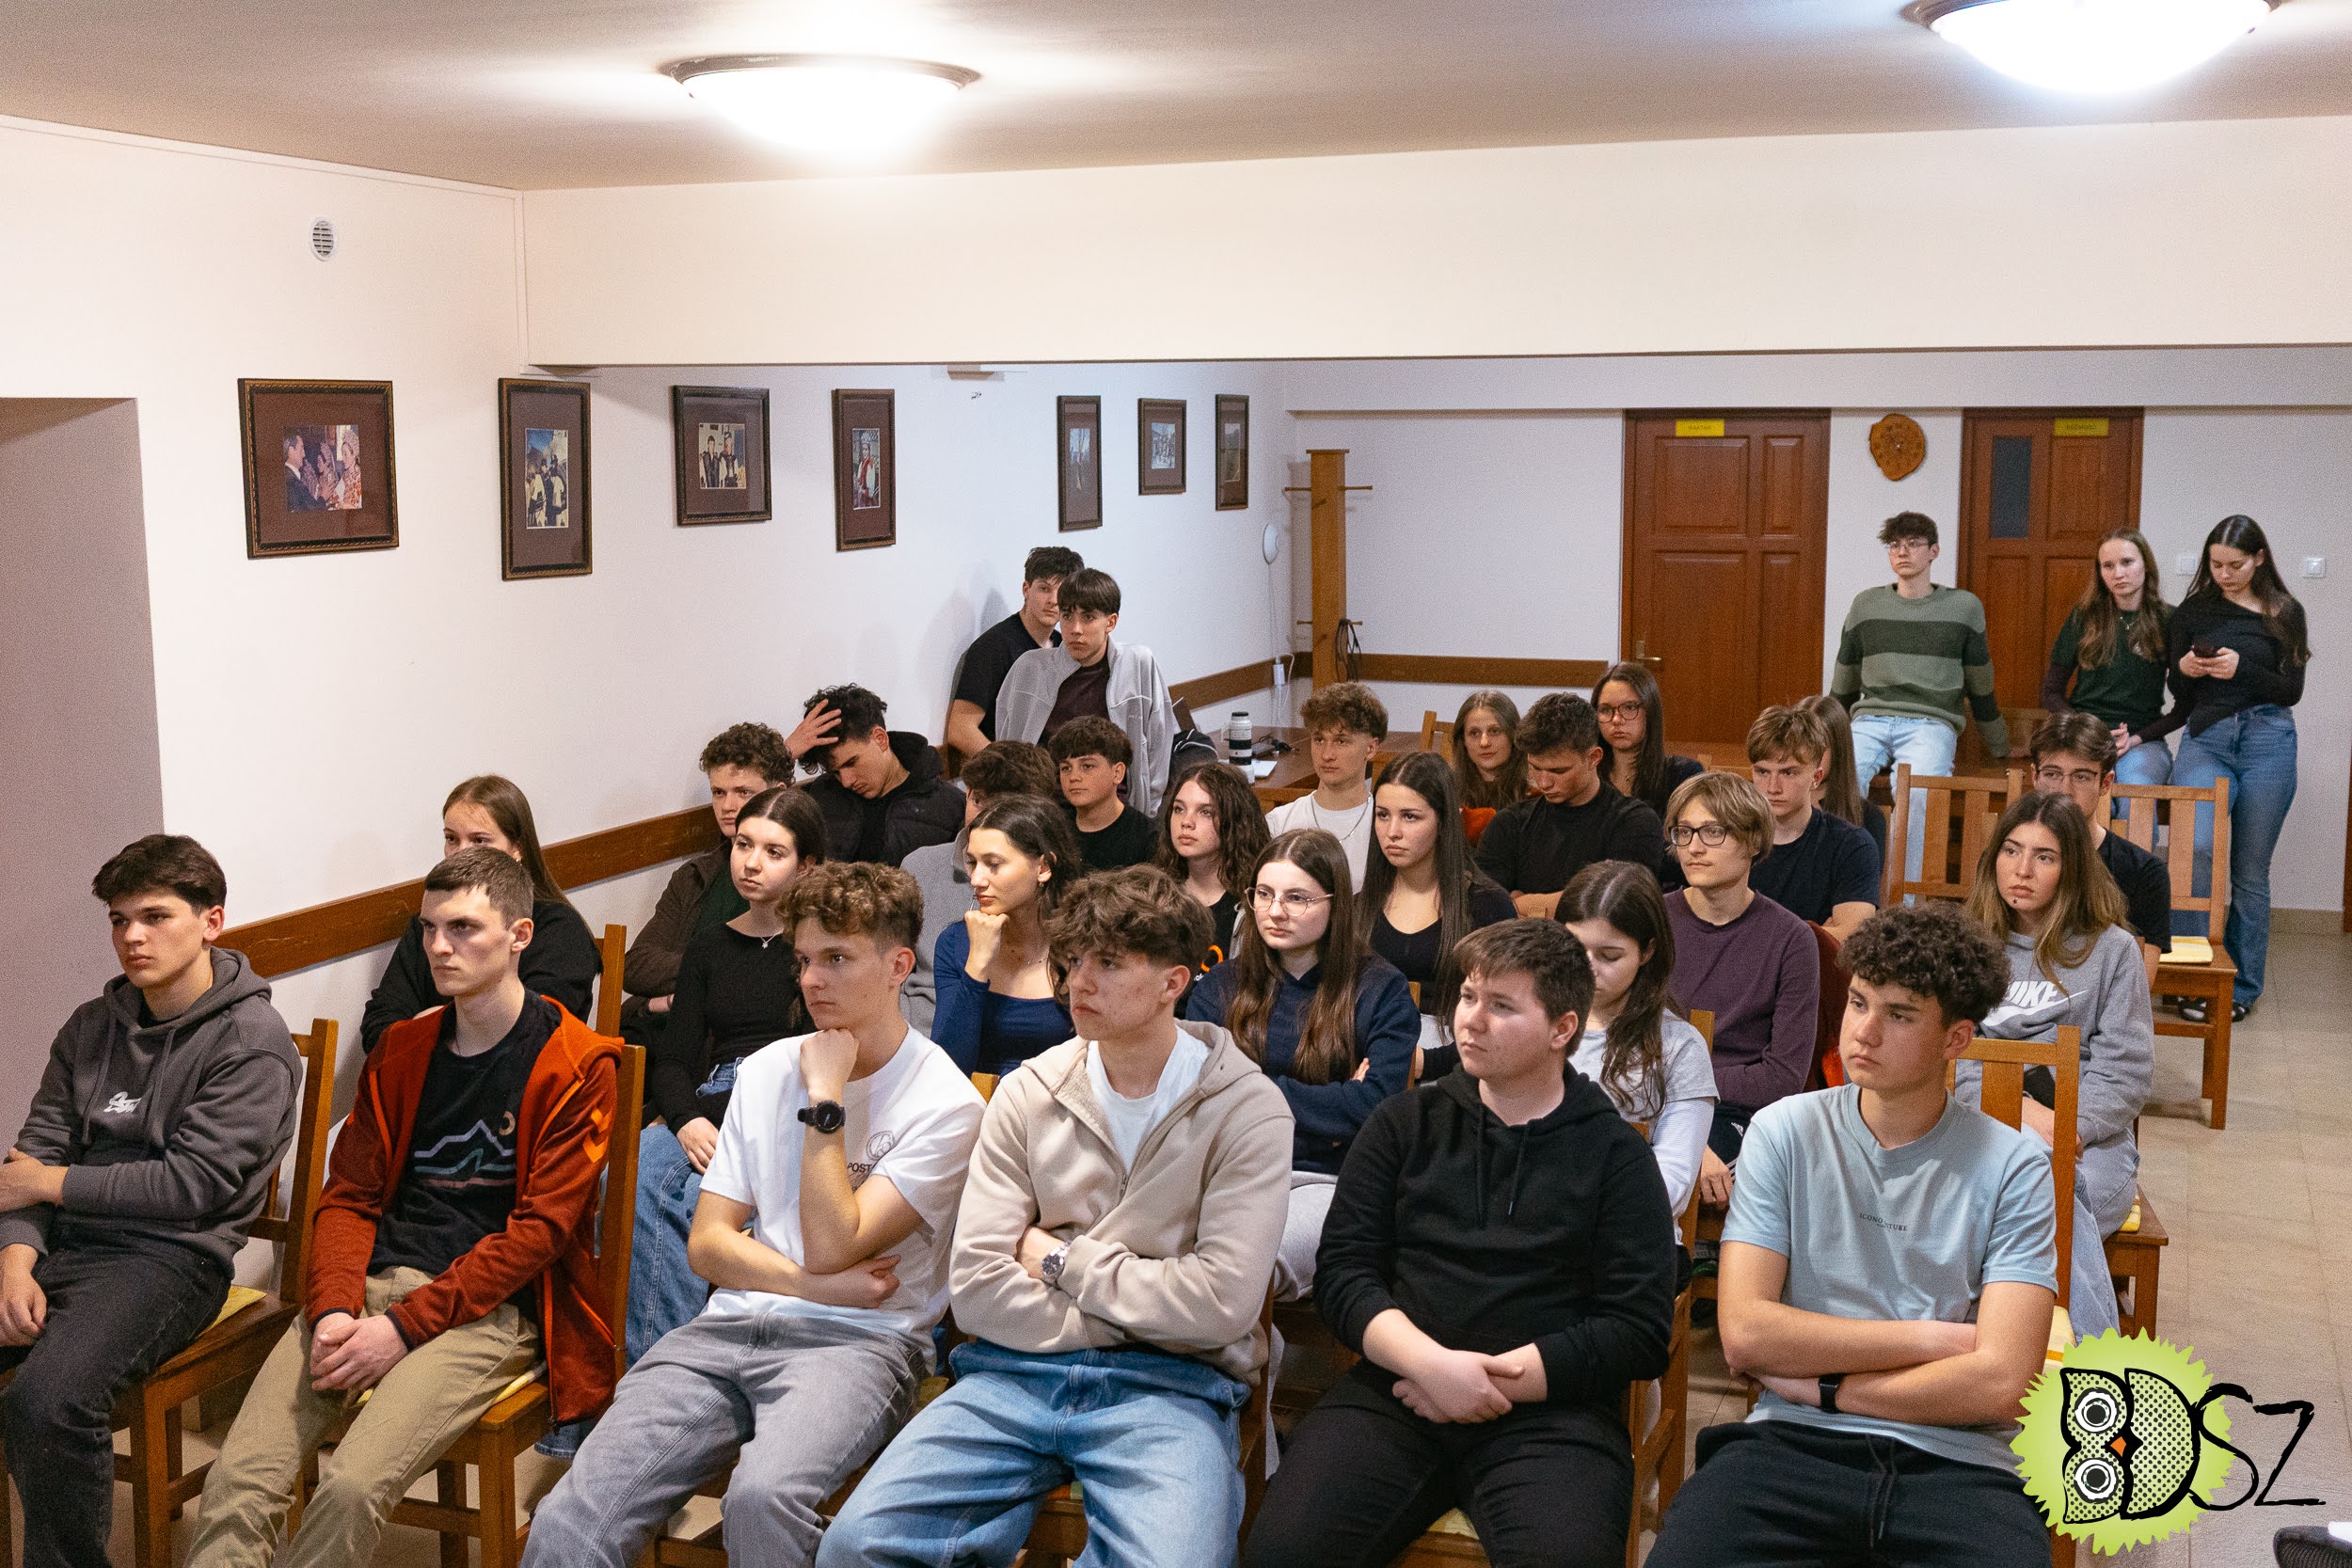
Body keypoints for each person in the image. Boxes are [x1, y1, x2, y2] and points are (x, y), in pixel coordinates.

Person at [818, 868, 1295, 1568]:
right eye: (1073, 961)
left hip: (1170, 1390)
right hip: (1012, 1375)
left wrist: (1059, 1261)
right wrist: (1147, 1315)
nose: (1079, 983)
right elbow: (977, 1289)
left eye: (1110, 963)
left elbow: (1222, 1304)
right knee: (857, 1545)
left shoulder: (1246, 1108)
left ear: (1173, 982)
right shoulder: (1030, 1091)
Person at [521, 862, 984, 1568]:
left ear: (899, 966)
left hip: (860, 1344)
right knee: (571, 1513)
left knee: (762, 1499)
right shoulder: (769, 1067)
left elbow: (833, 1242)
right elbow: (708, 1245)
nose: (812, 980)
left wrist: (825, 1097)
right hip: (729, 1327)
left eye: (837, 959)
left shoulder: (946, 1103)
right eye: (804, 960)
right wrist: (813, 1285)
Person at [187, 849, 620, 1568]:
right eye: (429, 929)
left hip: (486, 1309)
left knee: (351, 1485)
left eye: (463, 927)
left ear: (519, 935)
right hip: (366, 1285)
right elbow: (348, 1196)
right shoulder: (404, 1047)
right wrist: (333, 1308)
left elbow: (539, 1234)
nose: (439, 947)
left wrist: (399, 1329)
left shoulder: (576, 1061)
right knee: (237, 1480)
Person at [1242, 920, 1676, 1568]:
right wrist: (1431, 1367)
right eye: (1468, 997)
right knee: (1282, 1553)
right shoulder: (1403, 1123)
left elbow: (1637, 1327)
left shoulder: (1614, 1154)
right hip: (1398, 1391)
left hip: (1552, 1414)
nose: (1470, 1019)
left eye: (1501, 1005)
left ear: (1562, 1028)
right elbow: (1345, 1275)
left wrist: (1483, 1383)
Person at [1645, 903, 2058, 1568]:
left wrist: (1828, 1386)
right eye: (1859, 1002)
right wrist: (1932, 1339)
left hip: (1957, 1461)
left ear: (1956, 1038)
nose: (1863, 1031)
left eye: (1900, 1015)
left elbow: (2004, 1382)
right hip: (1789, 1443)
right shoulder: (1784, 1131)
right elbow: (1745, 1333)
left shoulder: (2015, 1165)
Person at [0, 836, 298, 1568]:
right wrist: (15, 1261)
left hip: (171, 1259)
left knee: (47, 1402)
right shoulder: (90, 1025)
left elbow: (190, 1184)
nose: (132, 936)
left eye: (155, 916)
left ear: (211, 921)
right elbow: (31, 1156)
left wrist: (49, 1184)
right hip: (63, 1242)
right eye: (119, 918)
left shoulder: (253, 1041)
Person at [628, 785, 824, 1366]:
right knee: (635, 1170)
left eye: (773, 851)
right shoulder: (711, 944)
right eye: (743, 845)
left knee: (704, 1200)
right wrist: (685, 1120)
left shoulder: (820, 947)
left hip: (793, 1098)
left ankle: (689, 1362)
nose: (751, 863)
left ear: (807, 865)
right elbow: (673, 1059)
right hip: (713, 1099)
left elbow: (833, 1051)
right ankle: (655, 1367)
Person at [1186, 830, 1419, 1298]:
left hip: (1328, 1179)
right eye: (1264, 894)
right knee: (1170, 1255)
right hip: (1226, 1171)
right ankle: (1255, 1342)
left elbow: (1377, 1109)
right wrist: (1333, 1104)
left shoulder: (1380, 989)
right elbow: (1194, 1096)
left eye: (1297, 898)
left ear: (1335, 904)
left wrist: (1245, 1089)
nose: (1275, 911)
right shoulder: (1219, 986)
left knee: (1245, 1267)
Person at [1960, 793, 2152, 1341]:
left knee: (2045, 1192)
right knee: (2021, 1193)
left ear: (2072, 869)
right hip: (1982, 1126)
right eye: (2011, 850)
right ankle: (2084, 1370)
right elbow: (1945, 1053)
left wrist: (2066, 1125)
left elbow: (2126, 1071)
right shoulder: (1964, 942)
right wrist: (2020, 1111)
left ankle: (2072, 1364)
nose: (2022, 870)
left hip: (2089, 1145)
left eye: (2044, 857)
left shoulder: (2113, 950)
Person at [2153, 515, 2311, 1020]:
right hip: (2209, 737)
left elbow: (2291, 690)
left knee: (2249, 870)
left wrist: (2244, 668)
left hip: (2269, 738)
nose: (2224, 574)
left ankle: (2240, 989)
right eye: (2216, 564)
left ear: (2259, 559)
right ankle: (2190, 975)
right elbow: (2180, 692)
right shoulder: (2193, 610)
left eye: (2235, 565)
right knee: (2193, 850)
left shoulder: (2285, 611)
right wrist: (2183, 669)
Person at [1660, 773, 1819, 1212]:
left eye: (1712, 832)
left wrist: (1691, 1098)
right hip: (1649, 1098)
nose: (1693, 847)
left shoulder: (1792, 939)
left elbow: (1782, 1076)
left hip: (1739, 1111)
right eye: (1684, 832)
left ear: (1752, 840)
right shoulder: (1652, 919)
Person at [358, 774, 598, 1052]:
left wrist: (428, 1026)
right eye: (451, 838)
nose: (461, 853)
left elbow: (535, 1033)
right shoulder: (430, 922)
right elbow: (378, 1029)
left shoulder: (559, 928)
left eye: (479, 841)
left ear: (518, 847)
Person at [1830, 512, 2008, 881]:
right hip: (1870, 719)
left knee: (1920, 795)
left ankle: (1903, 900)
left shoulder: (1964, 607)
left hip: (1931, 722)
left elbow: (1980, 681)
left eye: (1913, 544)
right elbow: (1845, 674)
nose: (1902, 552)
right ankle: (1847, 887)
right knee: (1840, 781)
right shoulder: (1866, 604)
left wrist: (2000, 744)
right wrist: (1825, 734)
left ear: (1934, 551)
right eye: (1895, 545)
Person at [1558, 861, 1718, 1229]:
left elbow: (1672, 1184)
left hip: (1625, 1234)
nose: (1587, 968)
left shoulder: (1678, 1046)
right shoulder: (1532, 1025)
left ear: (1646, 952)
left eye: (1609, 956)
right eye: (1574, 948)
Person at [619, 721, 793, 1049]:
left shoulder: (802, 876)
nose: (727, 806)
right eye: (718, 792)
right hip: (671, 1035)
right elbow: (635, 965)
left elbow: (777, 978)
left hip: (744, 1044)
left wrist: (689, 983)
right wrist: (700, 982)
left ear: (778, 793)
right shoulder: (694, 875)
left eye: (743, 792)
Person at [1357, 752, 1515, 1079]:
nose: (1392, 831)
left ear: (1443, 822)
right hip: (1367, 1060)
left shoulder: (1487, 906)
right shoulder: (1360, 905)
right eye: (1383, 815)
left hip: (1456, 1069)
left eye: (1410, 817)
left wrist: (1427, 1064)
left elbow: (1506, 1018)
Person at [900, 740, 1058, 1032]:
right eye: (976, 800)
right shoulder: (920, 866)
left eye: (999, 807)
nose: (982, 817)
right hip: (920, 1031)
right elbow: (890, 966)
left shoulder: (1048, 886)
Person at [995, 567, 1179, 816]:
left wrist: (1146, 816)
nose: (1075, 629)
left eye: (1088, 617)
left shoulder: (1138, 664)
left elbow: (1159, 744)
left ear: (1110, 622)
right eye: (1067, 616)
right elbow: (1008, 748)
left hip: (1118, 807)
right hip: (1047, 810)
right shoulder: (1031, 668)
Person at [1475, 692, 1666, 917]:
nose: (1543, 783)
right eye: (1535, 767)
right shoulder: (1509, 824)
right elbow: (1483, 907)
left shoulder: (1634, 822)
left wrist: (1522, 903)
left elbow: (1617, 905)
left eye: (1558, 771)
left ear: (1594, 758)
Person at [933, 795, 1081, 1076]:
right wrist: (977, 966)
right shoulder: (956, 943)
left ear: (1044, 868)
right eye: (973, 863)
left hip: (1062, 1096)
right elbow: (949, 1070)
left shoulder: (1084, 944)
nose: (976, 880)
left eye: (994, 864)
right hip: (978, 1098)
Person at [2030, 712, 2172, 981]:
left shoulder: (2144, 873)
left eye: (2082, 777)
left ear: (2105, 783)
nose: (2065, 789)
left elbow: (2137, 987)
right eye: (2052, 774)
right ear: (2034, 777)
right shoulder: (2005, 859)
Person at [2042, 527, 2176, 790]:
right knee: (2078, 793)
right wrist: (2084, 730)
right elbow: (2050, 693)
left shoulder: (2169, 619)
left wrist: (2135, 739)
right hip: (2084, 737)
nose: (2118, 573)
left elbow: (2186, 706)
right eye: (2108, 566)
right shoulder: (2084, 616)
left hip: (2142, 741)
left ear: (2146, 565)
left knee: (2134, 791)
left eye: (2127, 562)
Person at [1743, 704, 1882, 941]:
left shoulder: (1852, 845)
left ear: (1816, 777)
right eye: (1763, 772)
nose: (1773, 788)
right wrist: (1814, 933)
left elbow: (1851, 938)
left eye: (1788, 773)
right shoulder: (1731, 837)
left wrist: (1752, 933)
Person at [793, 684, 963, 869]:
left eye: (852, 762)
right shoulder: (824, 795)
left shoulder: (950, 806)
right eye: (835, 772)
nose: (847, 781)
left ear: (880, 738)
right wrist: (787, 752)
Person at [946, 545, 1084, 760]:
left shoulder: (1064, 645)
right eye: (1044, 589)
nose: (1053, 600)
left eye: (1063, 591)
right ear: (1026, 589)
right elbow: (960, 729)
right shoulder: (992, 647)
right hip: (1013, 769)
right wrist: (1010, 768)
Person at [1263, 681, 1389, 885]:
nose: (1327, 755)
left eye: (1341, 741)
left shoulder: (1387, 827)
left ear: (1371, 748)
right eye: (1319, 740)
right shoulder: (1279, 823)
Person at [1154, 760, 1273, 973]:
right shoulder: (1155, 895)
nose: (1186, 822)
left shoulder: (1255, 904)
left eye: (1205, 812)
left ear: (1234, 821)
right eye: (1179, 809)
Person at [1594, 661, 1704, 820]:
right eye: (1605, 709)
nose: (1616, 719)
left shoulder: (1682, 775)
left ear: (1650, 711)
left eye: (1629, 707)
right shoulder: (1589, 776)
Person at [1054, 715, 1158, 870]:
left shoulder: (1148, 838)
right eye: (1066, 768)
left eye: (1087, 766)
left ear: (1117, 773)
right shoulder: (1053, 832)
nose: (1073, 777)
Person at [1797, 693, 1887, 863]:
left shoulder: (1869, 818)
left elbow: (1865, 879)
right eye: (1800, 744)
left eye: (1819, 746)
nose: (1807, 755)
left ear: (1839, 750)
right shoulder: (1770, 810)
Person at [1451, 689, 1528, 813]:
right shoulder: (1446, 792)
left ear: (1513, 735)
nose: (1484, 743)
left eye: (1494, 731)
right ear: (1463, 740)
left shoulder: (1535, 794)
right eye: (1474, 733)